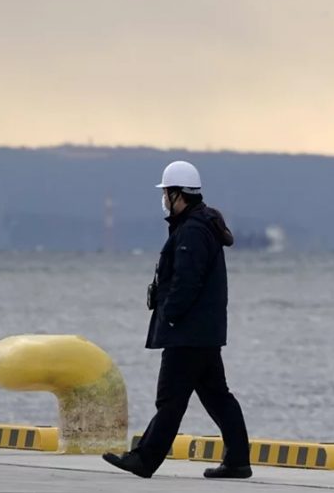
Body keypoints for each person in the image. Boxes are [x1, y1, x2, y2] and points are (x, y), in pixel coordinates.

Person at [103, 160, 253, 479]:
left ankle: (145, 459)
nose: (163, 200)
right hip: (203, 332)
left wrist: (169, 315)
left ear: (177, 195)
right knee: (217, 396)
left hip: (188, 333)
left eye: (166, 193)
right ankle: (238, 460)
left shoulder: (193, 230)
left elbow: (187, 280)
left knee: (170, 400)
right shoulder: (199, 225)